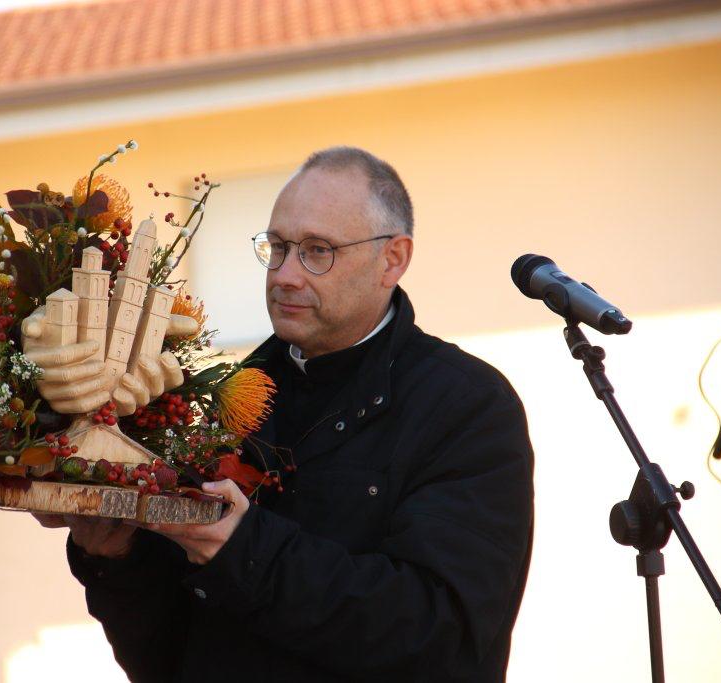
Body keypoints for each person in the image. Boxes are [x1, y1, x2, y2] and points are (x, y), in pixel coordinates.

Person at [32, 146, 535, 682]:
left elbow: (440, 635)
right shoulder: (228, 402)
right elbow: (170, 657)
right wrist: (117, 559)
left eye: (318, 251)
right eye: (277, 247)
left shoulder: (468, 406)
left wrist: (243, 550)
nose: (285, 275)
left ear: (393, 259)